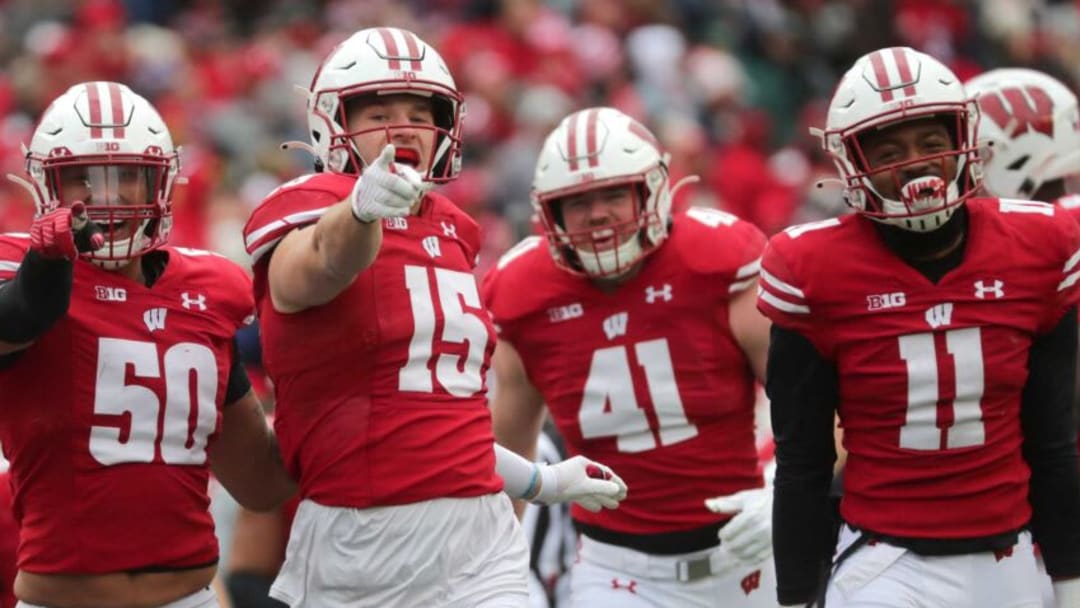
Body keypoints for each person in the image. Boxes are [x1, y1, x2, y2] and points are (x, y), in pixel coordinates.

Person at [240, 27, 627, 608]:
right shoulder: (308, 205)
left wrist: (541, 482)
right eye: (378, 112)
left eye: (420, 111)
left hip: (482, 541)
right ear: (333, 122)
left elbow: (442, 424)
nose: (403, 127)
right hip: (358, 543)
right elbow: (316, 266)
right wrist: (360, 213)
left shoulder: (452, 227)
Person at [758, 46, 1080, 608]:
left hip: (1012, 557)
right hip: (886, 561)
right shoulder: (812, 268)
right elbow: (804, 458)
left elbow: (1053, 442)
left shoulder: (1040, 245)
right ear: (851, 158)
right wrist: (794, 597)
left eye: (932, 142)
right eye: (889, 149)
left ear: (965, 138)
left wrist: (1070, 578)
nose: (915, 162)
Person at [0, 81, 295, 608]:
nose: (108, 197)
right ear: (48, 187)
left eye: (128, 176)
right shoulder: (20, 274)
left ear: (159, 181)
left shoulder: (209, 290)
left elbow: (260, 483)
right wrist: (45, 268)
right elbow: (19, 316)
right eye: (83, 180)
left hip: (190, 597)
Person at [483, 106, 778, 607]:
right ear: (548, 213)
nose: (597, 214)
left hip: (745, 551)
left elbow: (822, 404)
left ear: (652, 190)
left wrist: (788, 490)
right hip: (615, 567)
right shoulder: (524, 297)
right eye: (577, 202)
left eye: (614, 193)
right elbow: (505, 457)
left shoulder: (715, 263)